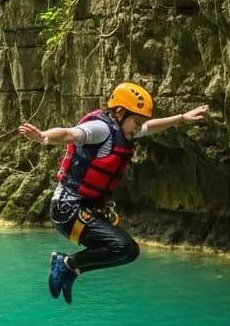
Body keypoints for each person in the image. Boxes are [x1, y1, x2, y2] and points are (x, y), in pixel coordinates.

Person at [18, 82, 208, 304]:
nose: (139, 127)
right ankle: (66, 264)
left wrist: (182, 118)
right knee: (123, 246)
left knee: (128, 252)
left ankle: (72, 270)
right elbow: (70, 133)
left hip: (83, 209)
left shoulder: (127, 130)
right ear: (119, 112)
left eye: (141, 122)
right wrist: (44, 137)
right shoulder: (101, 129)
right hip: (66, 209)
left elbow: (152, 127)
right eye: (136, 122)